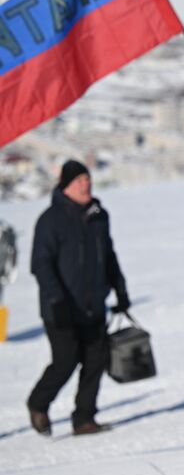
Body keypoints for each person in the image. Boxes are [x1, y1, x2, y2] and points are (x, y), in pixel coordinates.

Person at [27, 160, 131, 436]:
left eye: (88, 179)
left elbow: (108, 256)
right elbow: (41, 264)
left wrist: (120, 290)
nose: (86, 185)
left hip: (93, 303)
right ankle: (38, 403)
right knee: (66, 359)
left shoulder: (99, 216)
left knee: (96, 359)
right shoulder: (50, 220)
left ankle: (84, 418)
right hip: (61, 307)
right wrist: (56, 300)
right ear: (66, 186)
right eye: (79, 181)